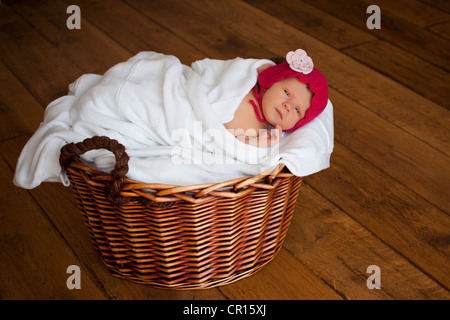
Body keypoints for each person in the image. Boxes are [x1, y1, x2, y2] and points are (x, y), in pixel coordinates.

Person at [225, 49, 328, 147]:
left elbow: (227, 146)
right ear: (270, 82)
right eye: (287, 93)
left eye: (297, 110)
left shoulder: (259, 134)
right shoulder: (247, 87)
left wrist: (254, 142)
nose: (288, 106)